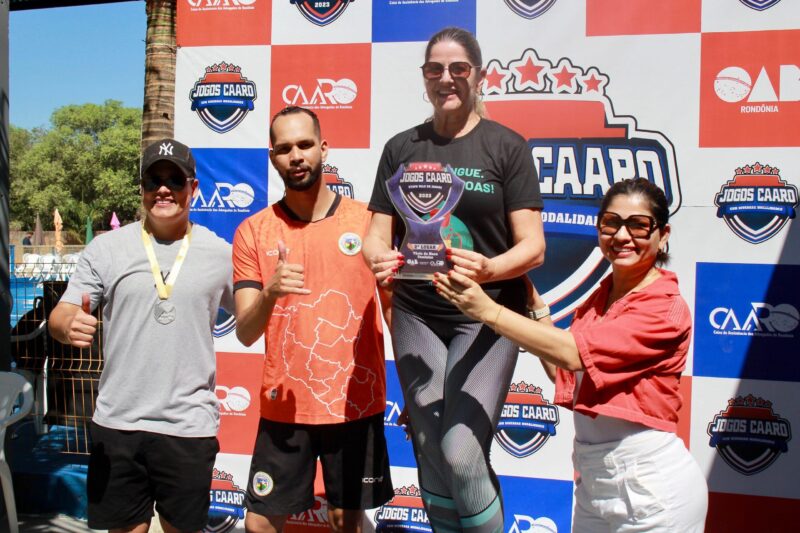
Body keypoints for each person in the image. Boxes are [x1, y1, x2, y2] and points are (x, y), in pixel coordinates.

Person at [435, 178, 709, 532]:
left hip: (651, 485)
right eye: (611, 223)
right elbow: (562, 371)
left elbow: (573, 354)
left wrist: (488, 311)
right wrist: (533, 303)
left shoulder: (664, 308)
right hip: (594, 480)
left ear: (663, 234)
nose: (622, 235)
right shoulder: (602, 297)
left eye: (639, 225)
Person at [362, 27, 545, 533]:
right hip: (417, 313)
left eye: (458, 68)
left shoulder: (506, 146)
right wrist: (378, 259)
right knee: (428, 446)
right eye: (435, 69)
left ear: (478, 75)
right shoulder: (401, 147)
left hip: (485, 314)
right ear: (424, 77)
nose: (446, 78)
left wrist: (490, 269)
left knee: (462, 451)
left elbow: (533, 246)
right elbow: (376, 236)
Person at [48, 138, 234, 533]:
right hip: (119, 423)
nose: (163, 189)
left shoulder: (220, 253)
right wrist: (67, 325)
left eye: (174, 180)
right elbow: (61, 314)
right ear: (142, 188)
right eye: (153, 180)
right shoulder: (106, 248)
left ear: (193, 188)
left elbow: (252, 317)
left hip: (188, 425)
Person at [233, 106, 393, 533]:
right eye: (285, 148)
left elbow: (393, 309)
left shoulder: (369, 221)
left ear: (324, 148)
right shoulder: (253, 231)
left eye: (305, 145)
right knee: (259, 524)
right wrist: (270, 292)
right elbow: (245, 332)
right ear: (273, 157)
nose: (296, 156)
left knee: (346, 520)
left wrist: (417, 390)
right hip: (285, 406)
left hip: (355, 403)